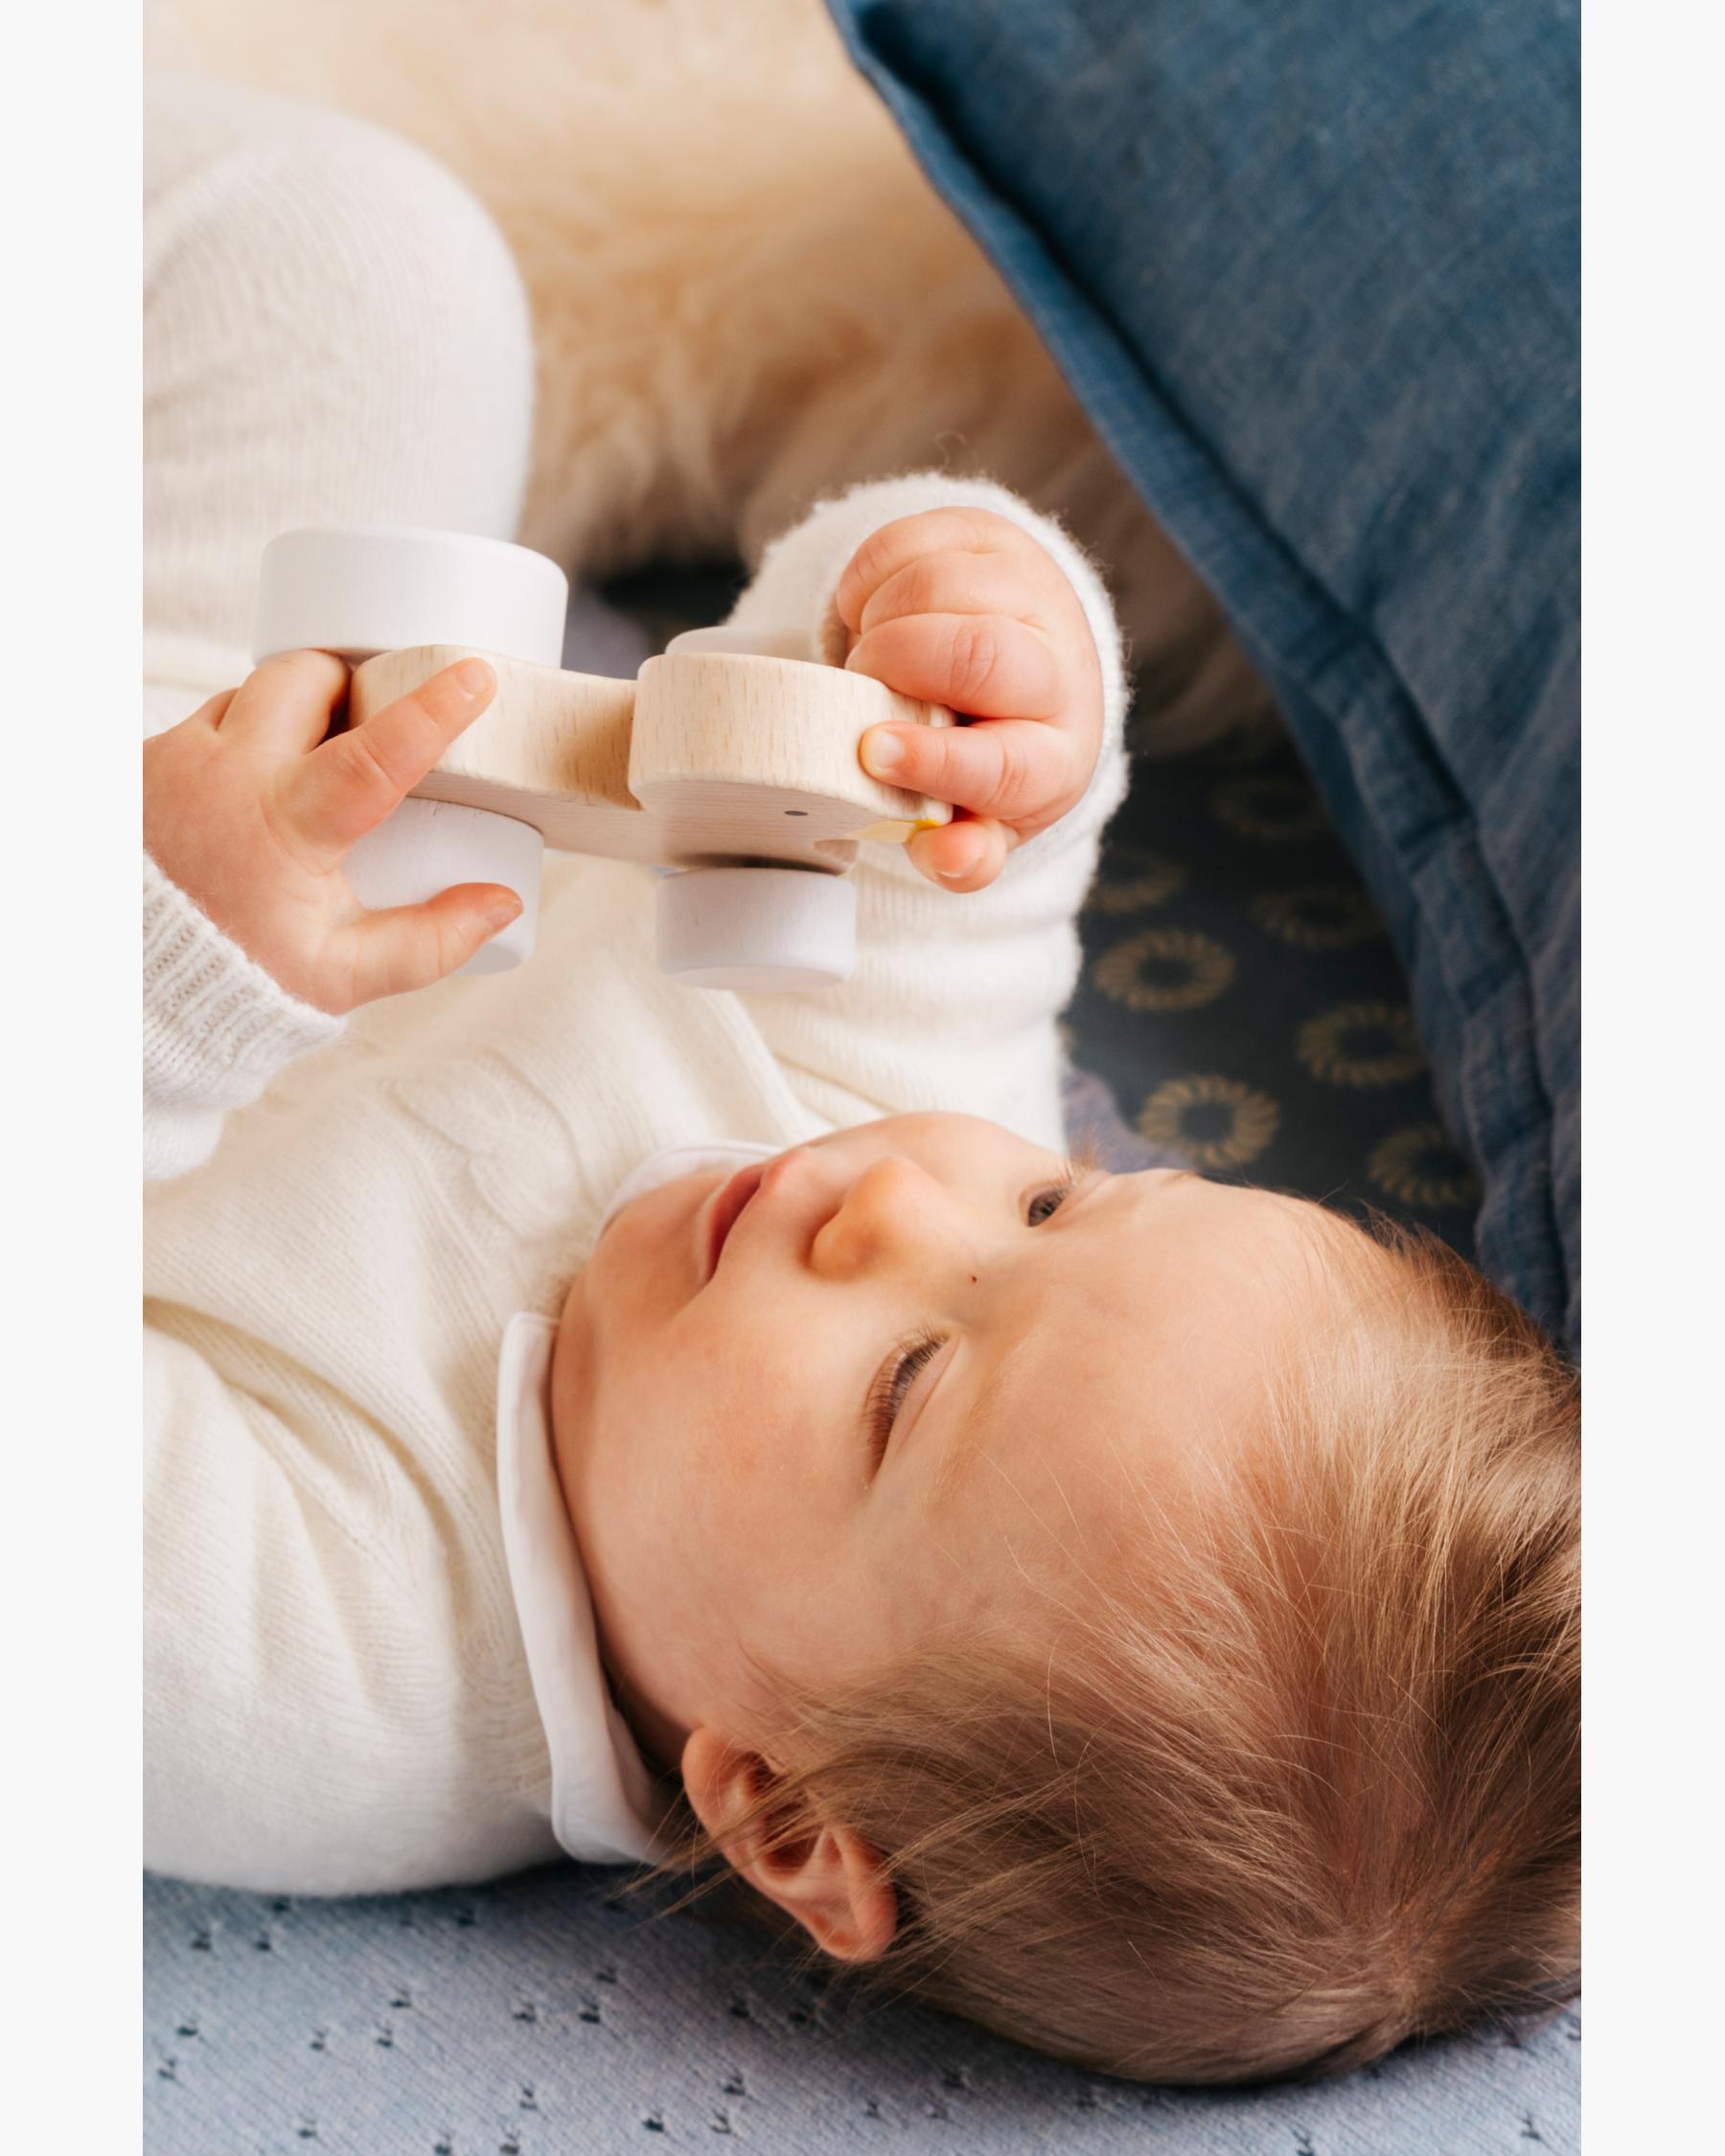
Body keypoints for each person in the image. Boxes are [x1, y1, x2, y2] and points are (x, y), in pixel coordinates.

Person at [143, 72, 1578, 2083]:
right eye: (1065, 1201)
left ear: (784, 1812)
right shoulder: (871, 1103)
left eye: (908, 1389)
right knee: (376, 274)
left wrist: (169, 972)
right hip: (181, 671)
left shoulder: (338, 1673)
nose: (894, 1205)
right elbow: (946, 827)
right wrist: (976, 646)